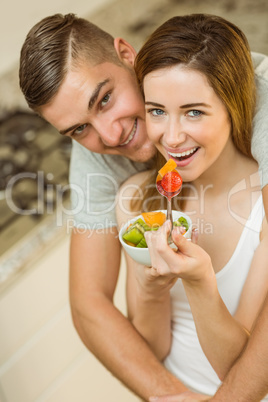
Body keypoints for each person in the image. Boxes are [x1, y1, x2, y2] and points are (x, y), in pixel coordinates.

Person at [19, 13, 268, 401]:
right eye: (78, 129)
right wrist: (167, 395)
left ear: (127, 55)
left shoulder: (257, 103)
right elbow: (90, 304)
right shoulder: (128, 189)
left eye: (105, 99)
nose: (110, 135)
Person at [116, 14, 268, 401]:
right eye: (156, 111)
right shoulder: (136, 200)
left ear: (233, 106)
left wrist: (200, 282)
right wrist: (150, 291)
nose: (171, 136)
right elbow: (151, 351)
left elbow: (242, 371)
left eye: (194, 112)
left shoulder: (262, 207)